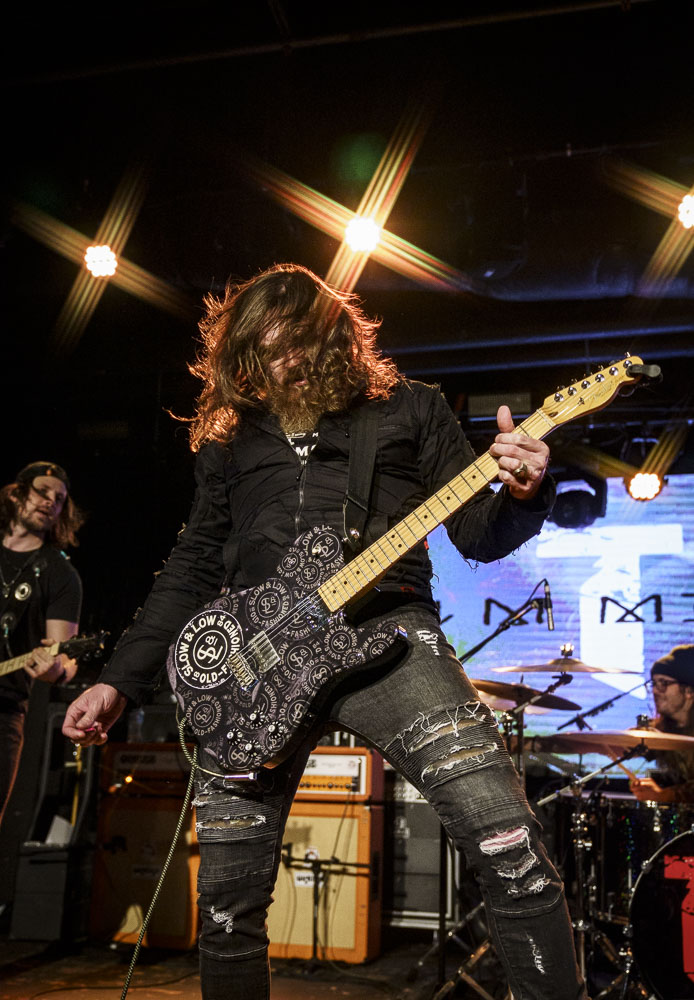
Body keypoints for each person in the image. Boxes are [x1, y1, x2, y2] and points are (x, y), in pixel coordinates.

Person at [63, 264, 587, 1000]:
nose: (287, 363)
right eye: (268, 350)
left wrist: (526, 492)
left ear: (336, 339)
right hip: (255, 663)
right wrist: (119, 680)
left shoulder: (412, 408)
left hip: (390, 637)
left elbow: (476, 531)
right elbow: (194, 563)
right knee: (227, 906)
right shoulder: (231, 441)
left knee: (509, 843)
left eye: (300, 344)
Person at [0, 461, 83, 826]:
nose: (51, 501)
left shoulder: (60, 574)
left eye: (59, 498)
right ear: (16, 494)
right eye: (43, 491)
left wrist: (56, 671)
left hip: (4, 709)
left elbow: (65, 657)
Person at [630, 644, 694, 804]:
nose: (655, 691)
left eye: (664, 683)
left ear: (689, 691)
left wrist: (664, 795)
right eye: (654, 684)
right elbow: (626, 746)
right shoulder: (660, 730)